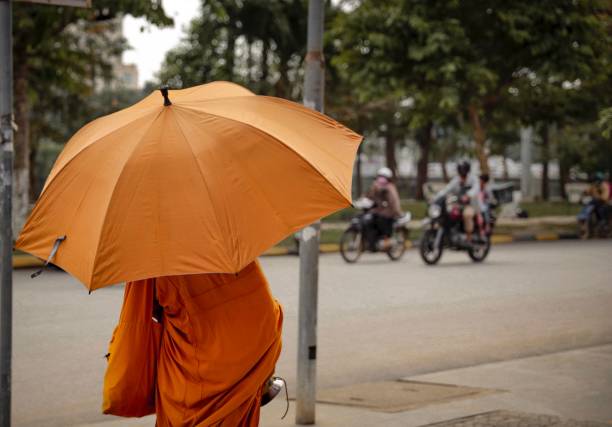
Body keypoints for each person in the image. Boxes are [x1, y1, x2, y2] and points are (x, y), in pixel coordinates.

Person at [102, 261, 283, 426]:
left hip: (194, 382)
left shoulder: (151, 256)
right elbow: (264, 308)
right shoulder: (227, 238)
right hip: (249, 358)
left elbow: (136, 325)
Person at [435, 161, 477, 243]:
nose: (462, 174)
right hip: (457, 204)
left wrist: (468, 195)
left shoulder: (473, 179)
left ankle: (469, 237)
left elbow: (476, 189)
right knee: (447, 213)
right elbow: (446, 189)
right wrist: (436, 197)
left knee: (467, 215)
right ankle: (450, 233)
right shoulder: (456, 180)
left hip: (470, 205)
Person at [365, 167, 402, 250]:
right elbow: (370, 196)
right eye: (380, 176)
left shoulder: (390, 188)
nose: (381, 179)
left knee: (381, 221)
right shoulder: (375, 186)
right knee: (370, 221)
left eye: (384, 177)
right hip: (378, 211)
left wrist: (397, 212)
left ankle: (385, 239)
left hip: (388, 213)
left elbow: (394, 202)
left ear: (388, 178)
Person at [469, 173, 496, 238]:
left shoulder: (487, 189)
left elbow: (491, 199)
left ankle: (487, 226)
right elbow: (471, 195)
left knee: (486, 210)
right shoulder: (476, 187)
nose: (480, 182)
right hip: (475, 206)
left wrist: (486, 200)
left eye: (481, 181)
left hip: (483, 206)